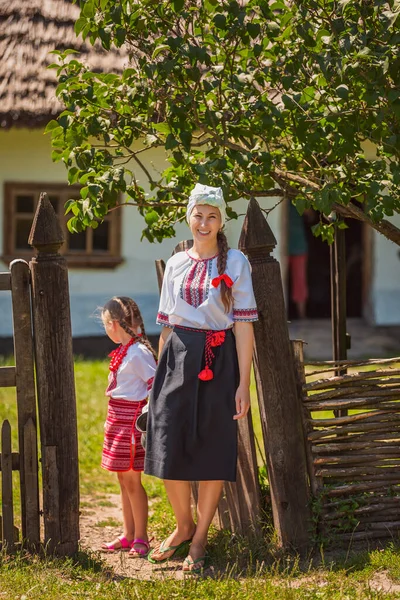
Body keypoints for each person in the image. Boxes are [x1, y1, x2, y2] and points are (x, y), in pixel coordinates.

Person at [144, 183, 258, 573]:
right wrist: (158, 379)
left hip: (219, 359)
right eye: (198, 215)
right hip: (176, 357)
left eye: (212, 216)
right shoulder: (176, 263)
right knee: (166, 440)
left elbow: (243, 328)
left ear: (221, 221)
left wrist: (244, 384)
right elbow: (166, 326)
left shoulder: (236, 263)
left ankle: (201, 537)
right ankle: (182, 525)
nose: (204, 223)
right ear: (188, 217)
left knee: (212, 447)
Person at [100, 296, 157, 558]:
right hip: (117, 422)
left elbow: (154, 384)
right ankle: (128, 533)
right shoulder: (125, 351)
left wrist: (147, 417)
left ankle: (141, 538)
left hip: (131, 424)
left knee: (133, 481)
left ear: (113, 324)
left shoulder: (138, 353)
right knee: (123, 480)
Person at [288, 202, 309, 319]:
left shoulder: (298, 201)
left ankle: (302, 315)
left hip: (299, 246)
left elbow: (311, 215)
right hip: (287, 246)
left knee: (299, 281)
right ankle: (301, 315)